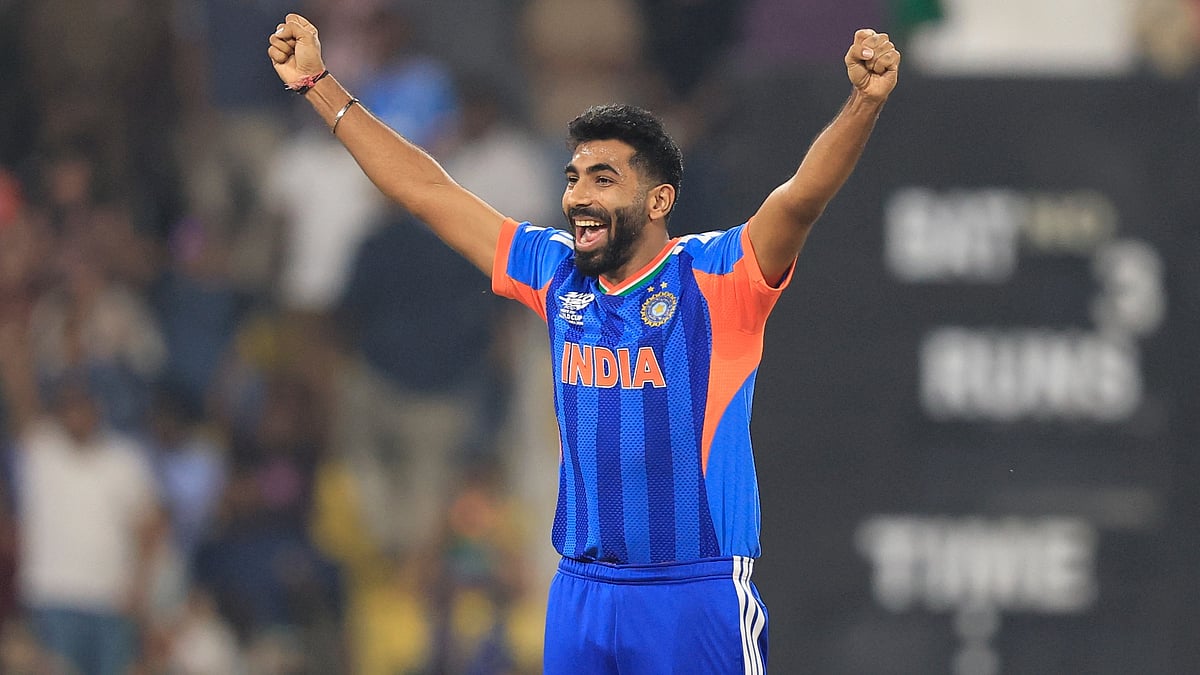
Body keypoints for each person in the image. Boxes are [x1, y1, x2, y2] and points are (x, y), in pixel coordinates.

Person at [268, 13, 900, 673]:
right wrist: (318, 83)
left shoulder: (718, 277)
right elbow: (429, 192)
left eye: (603, 179)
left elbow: (800, 199)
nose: (577, 196)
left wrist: (863, 102)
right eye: (572, 178)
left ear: (658, 201)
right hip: (582, 592)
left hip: (693, 592)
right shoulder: (554, 270)